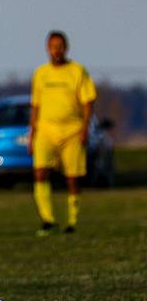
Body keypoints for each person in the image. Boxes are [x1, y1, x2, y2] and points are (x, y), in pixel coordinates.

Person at [29, 31, 97, 236]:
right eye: (52, 47)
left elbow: (88, 101)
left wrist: (85, 128)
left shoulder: (77, 71)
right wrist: (32, 132)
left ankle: (72, 221)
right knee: (40, 172)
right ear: (47, 49)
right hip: (46, 130)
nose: (56, 51)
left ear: (66, 48)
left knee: (72, 178)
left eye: (60, 46)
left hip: (72, 131)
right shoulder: (41, 73)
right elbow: (35, 105)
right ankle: (48, 220)